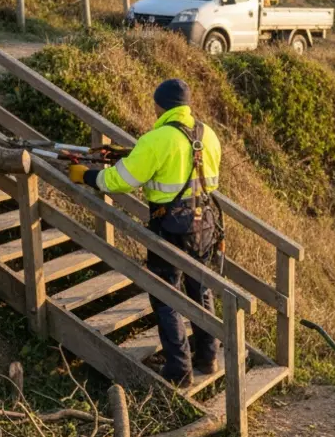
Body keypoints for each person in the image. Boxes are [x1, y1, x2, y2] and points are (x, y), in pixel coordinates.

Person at [68, 79, 224, 386]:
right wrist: (132, 152)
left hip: (171, 225)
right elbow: (203, 178)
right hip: (204, 222)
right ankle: (208, 356)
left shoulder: (158, 138)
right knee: (199, 288)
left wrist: (87, 175)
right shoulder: (208, 135)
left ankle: (179, 370)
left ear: (160, 105)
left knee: (165, 292)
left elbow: (121, 181)